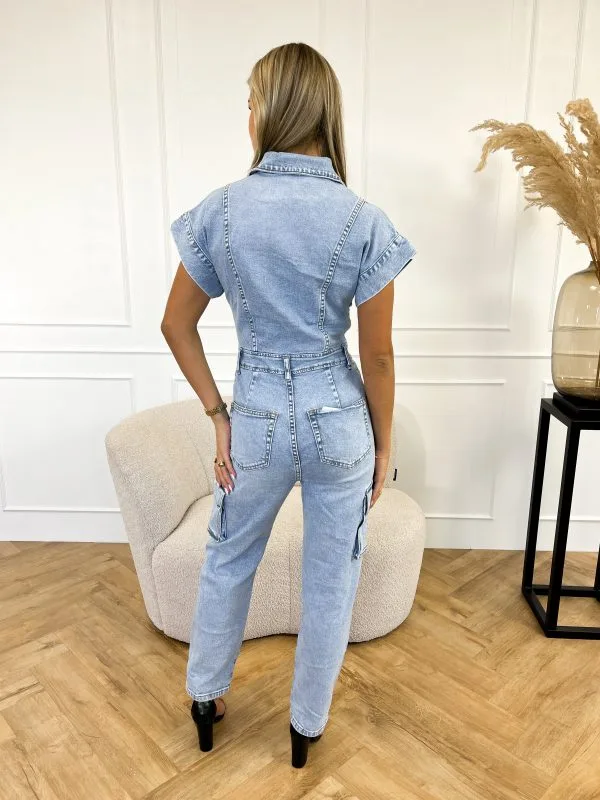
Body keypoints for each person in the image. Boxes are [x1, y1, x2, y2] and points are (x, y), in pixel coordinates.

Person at [161, 41, 416, 769]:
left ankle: (206, 698)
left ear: (272, 110)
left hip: (258, 418)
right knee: (332, 576)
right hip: (339, 421)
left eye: (250, 102)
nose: (247, 116)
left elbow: (175, 324)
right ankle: (306, 726)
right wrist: (384, 445)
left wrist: (218, 414)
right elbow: (378, 357)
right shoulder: (363, 220)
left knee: (228, 557)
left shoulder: (222, 211)